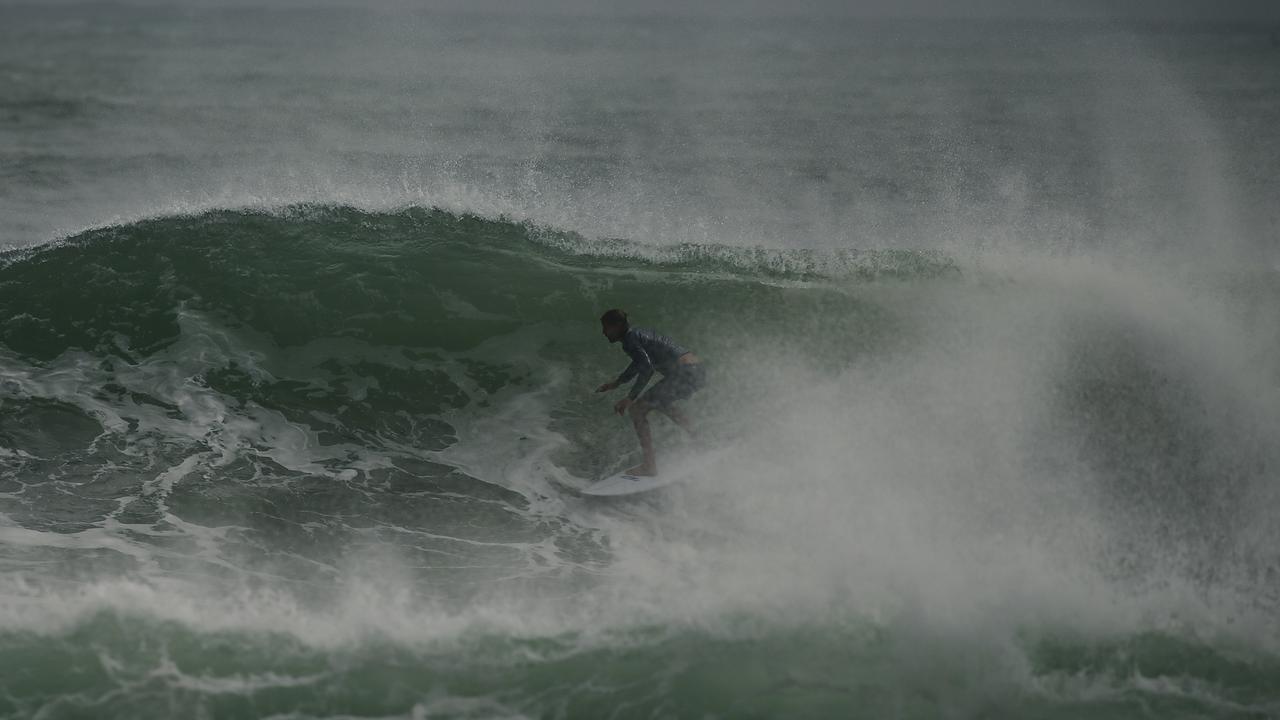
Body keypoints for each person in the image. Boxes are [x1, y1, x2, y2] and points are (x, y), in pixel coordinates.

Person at [595, 309, 705, 476]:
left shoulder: (630, 339)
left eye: (606, 328)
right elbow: (638, 364)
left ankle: (649, 465)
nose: (603, 332)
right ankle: (700, 440)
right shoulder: (637, 334)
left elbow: (646, 368)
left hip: (685, 372)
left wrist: (630, 398)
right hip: (696, 370)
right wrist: (616, 383)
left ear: (617, 326)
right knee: (662, 403)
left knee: (637, 409)